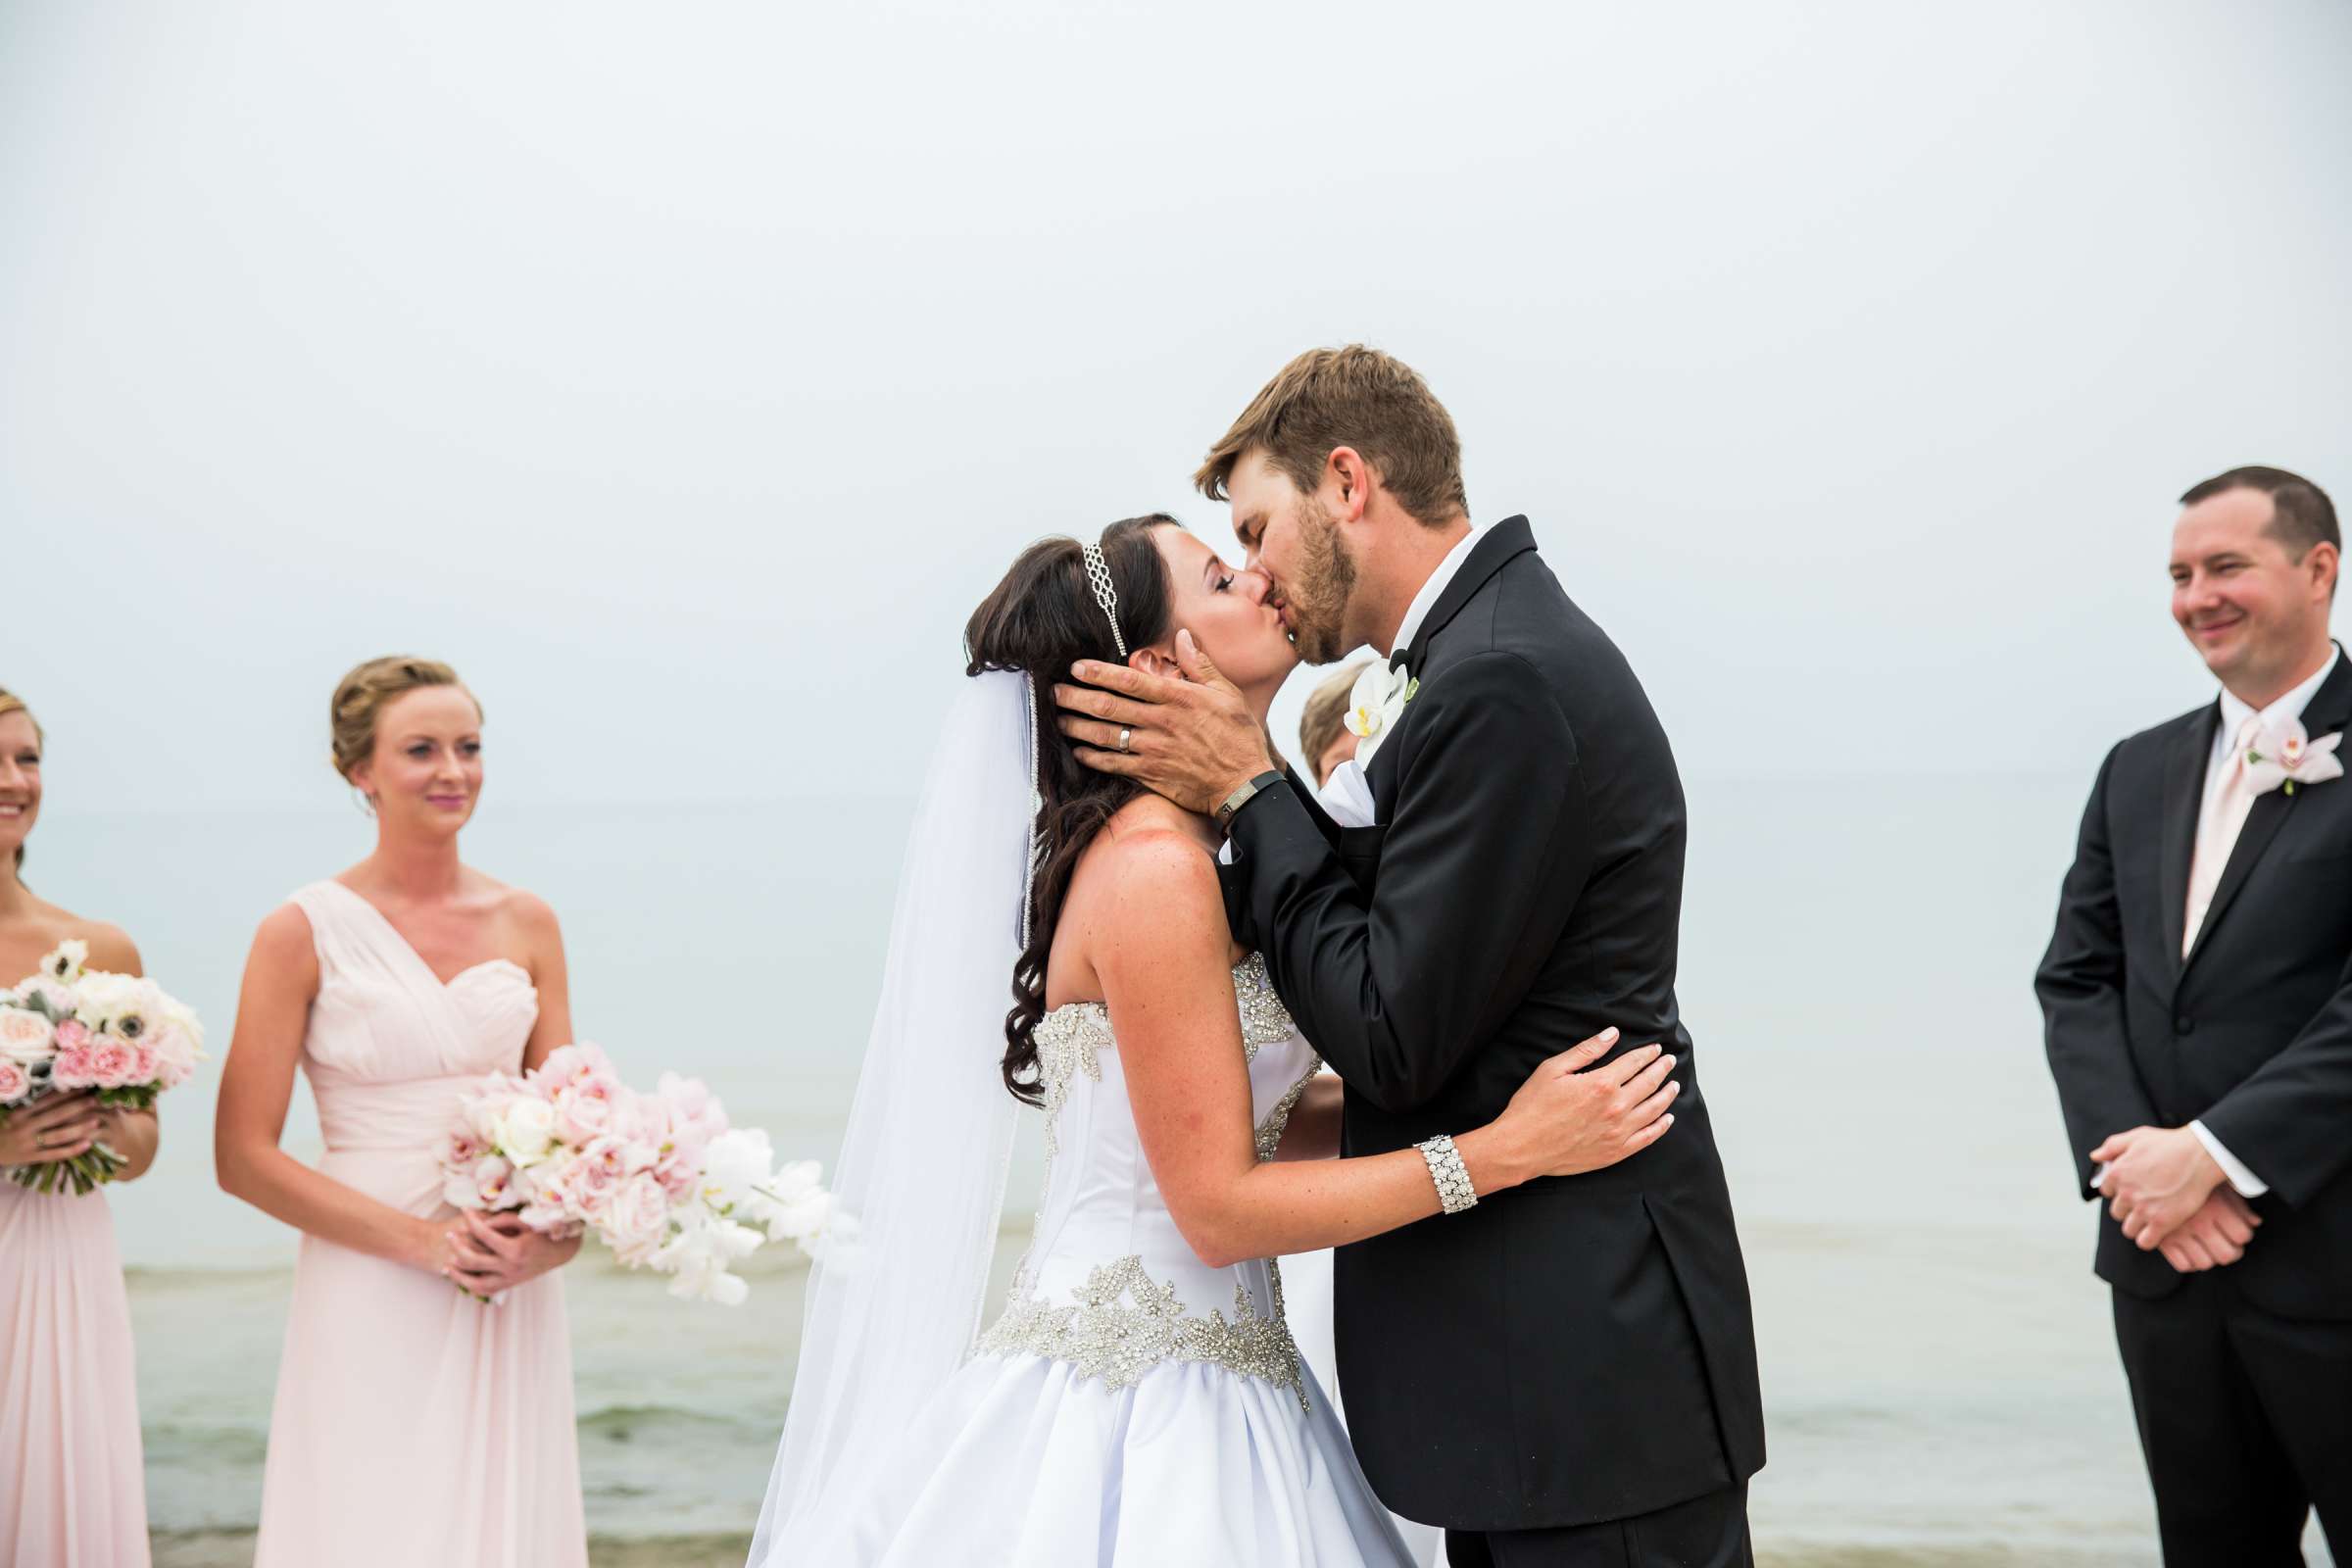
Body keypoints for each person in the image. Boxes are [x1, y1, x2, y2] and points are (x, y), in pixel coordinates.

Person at [753, 515, 1680, 1566]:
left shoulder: (1210, 849)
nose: (1263, 580)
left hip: (1238, 1369)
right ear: (1161, 662)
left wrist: (1503, 1102)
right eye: (1222, 575)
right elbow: (1216, 1208)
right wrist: (1501, 1155)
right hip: (1136, 1400)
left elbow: (1258, 1119)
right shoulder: (1153, 873)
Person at [1057, 346, 1763, 1566]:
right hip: (1530, 1383)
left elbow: (1390, 1027)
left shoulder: (1501, 680)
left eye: (1257, 530)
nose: (1263, 579)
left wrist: (1248, 788)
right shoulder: (1469, 664)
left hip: (1583, 1377)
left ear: (1347, 483)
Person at [2038, 466, 2350, 1563]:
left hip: (2335, 1258)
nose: (2196, 597)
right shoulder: (2137, 768)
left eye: (2225, 566)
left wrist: (2218, 1155)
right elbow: (2076, 979)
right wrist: (2141, 1172)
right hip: (2165, 1266)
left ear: (2319, 568)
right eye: (2179, 575)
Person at [216, 656, 588, 1567]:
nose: (453, 771)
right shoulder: (299, 930)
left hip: (505, 1274)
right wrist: (422, 1244)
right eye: (421, 749)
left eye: (469, 746)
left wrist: (554, 1239)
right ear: (360, 772)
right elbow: (240, 1155)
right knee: (368, 1511)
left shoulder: (527, 920)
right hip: (371, 1270)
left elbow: (577, 1125)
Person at [0, 685, 158, 1568]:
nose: (15, 780)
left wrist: (102, 1126)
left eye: (27, 759)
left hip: (59, 1260)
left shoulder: (98, 951)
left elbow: (140, 1152)